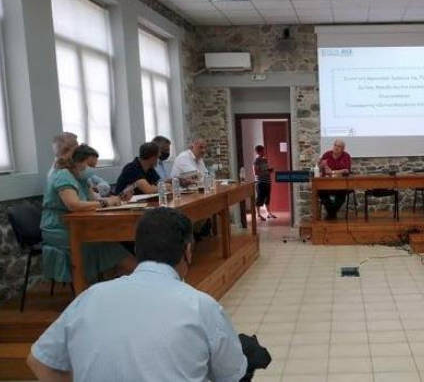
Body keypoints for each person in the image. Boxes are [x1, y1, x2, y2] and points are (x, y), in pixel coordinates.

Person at [27, 207, 271, 382]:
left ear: (137, 248)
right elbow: (233, 374)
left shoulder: (90, 297)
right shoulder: (200, 307)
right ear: (187, 251)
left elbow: (39, 361)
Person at [40, 144, 136, 284]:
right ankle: (93, 284)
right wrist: (105, 203)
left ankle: (112, 281)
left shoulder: (82, 178)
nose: (92, 170)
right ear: (76, 161)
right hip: (59, 228)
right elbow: (74, 205)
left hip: (76, 225)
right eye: (90, 165)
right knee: (102, 244)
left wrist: (117, 199)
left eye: (94, 166)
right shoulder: (63, 176)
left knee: (108, 242)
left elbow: (93, 200)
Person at [318, 139, 352, 220]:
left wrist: (332, 172)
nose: (336, 148)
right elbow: (320, 168)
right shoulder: (327, 154)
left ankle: (331, 214)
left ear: (343, 149)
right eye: (335, 145)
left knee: (342, 192)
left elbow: (346, 170)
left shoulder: (346, 156)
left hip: (340, 183)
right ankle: (332, 213)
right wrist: (320, 165)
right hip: (327, 183)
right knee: (320, 191)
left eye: (339, 146)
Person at [253, 145, 275, 221]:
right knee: (260, 198)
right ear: (258, 152)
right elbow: (256, 172)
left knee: (267, 198)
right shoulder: (256, 161)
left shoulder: (265, 160)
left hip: (267, 181)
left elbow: (265, 170)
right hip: (260, 182)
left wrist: (269, 170)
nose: (264, 152)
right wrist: (266, 172)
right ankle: (258, 214)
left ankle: (268, 213)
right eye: (262, 151)